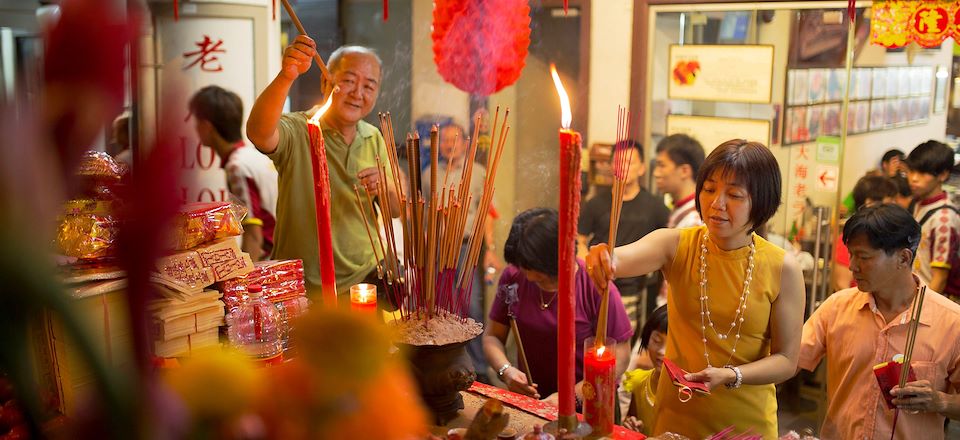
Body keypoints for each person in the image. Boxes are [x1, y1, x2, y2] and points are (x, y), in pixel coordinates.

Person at [587, 139, 805, 438]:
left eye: (734, 195)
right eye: (710, 188)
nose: (716, 203)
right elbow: (620, 259)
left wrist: (731, 375)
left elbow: (786, 361)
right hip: (677, 416)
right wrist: (603, 257)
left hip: (745, 422)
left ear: (762, 202)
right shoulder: (676, 244)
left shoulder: (783, 268)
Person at [246, 36, 400, 298]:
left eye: (369, 86)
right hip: (304, 286)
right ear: (325, 81)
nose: (357, 93)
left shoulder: (373, 136)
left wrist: (384, 186)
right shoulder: (300, 129)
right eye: (349, 81)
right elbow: (259, 133)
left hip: (365, 279)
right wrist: (286, 76)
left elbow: (395, 209)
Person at [799, 204, 960, 439]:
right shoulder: (836, 308)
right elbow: (790, 360)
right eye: (851, 254)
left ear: (903, 258)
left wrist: (940, 402)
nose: (852, 266)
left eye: (863, 257)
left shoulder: (951, 322)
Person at [483, 208, 632, 401]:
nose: (527, 278)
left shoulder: (597, 287)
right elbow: (493, 336)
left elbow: (621, 356)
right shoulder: (514, 276)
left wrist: (570, 398)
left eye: (540, 279)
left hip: (588, 404)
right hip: (533, 401)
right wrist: (506, 371)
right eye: (524, 269)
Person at [422, 122, 501, 381]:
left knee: (471, 306)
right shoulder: (429, 174)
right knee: (443, 305)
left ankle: (479, 368)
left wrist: (489, 249)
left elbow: (487, 213)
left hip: (468, 247)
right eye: (444, 140)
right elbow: (425, 215)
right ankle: (450, 364)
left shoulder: (477, 173)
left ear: (466, 143)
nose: (449, 145)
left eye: (454, 139)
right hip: (438, 248)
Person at [578, 139, 669, 324]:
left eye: (629, 163)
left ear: (642, 168)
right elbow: (579, 240)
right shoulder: (595, 203)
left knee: (624, 342)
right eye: (618, 162)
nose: (623, 168)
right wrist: (590, 269)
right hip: (598, 287)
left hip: (636, 292)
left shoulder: (656, 206)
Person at [190, 85, 278, 261]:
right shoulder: (253, 156)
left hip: (270, 261)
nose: (195, 128)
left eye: (197, 121)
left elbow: (253, 235)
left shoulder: (236, 167)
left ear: (207, 126)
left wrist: (243, 282)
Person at [906, 140, 959, 295]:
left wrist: (919, 312)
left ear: (943, 175)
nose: (913, 178)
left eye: (922, 173)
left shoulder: (944, 219)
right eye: (911, 171)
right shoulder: (917, 203)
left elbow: (939, 278)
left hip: (930, 301)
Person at [831, 175, 897, 291]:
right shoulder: (850, 239)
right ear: (870, 203)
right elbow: (841, 284)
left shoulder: (888, 235)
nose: (894, 206)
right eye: (890, 202)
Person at [621, 305, 667, 435]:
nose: (662, 351)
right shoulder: (639, 382)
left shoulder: (689, 393)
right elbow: (632, 420)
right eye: (657, 340)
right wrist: (632, 425)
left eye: (672, 345)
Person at [653, 134, 705, 229]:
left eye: (662, 165)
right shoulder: (681, 208)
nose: (656, 173)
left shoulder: (695, 220)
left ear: (684, 171)